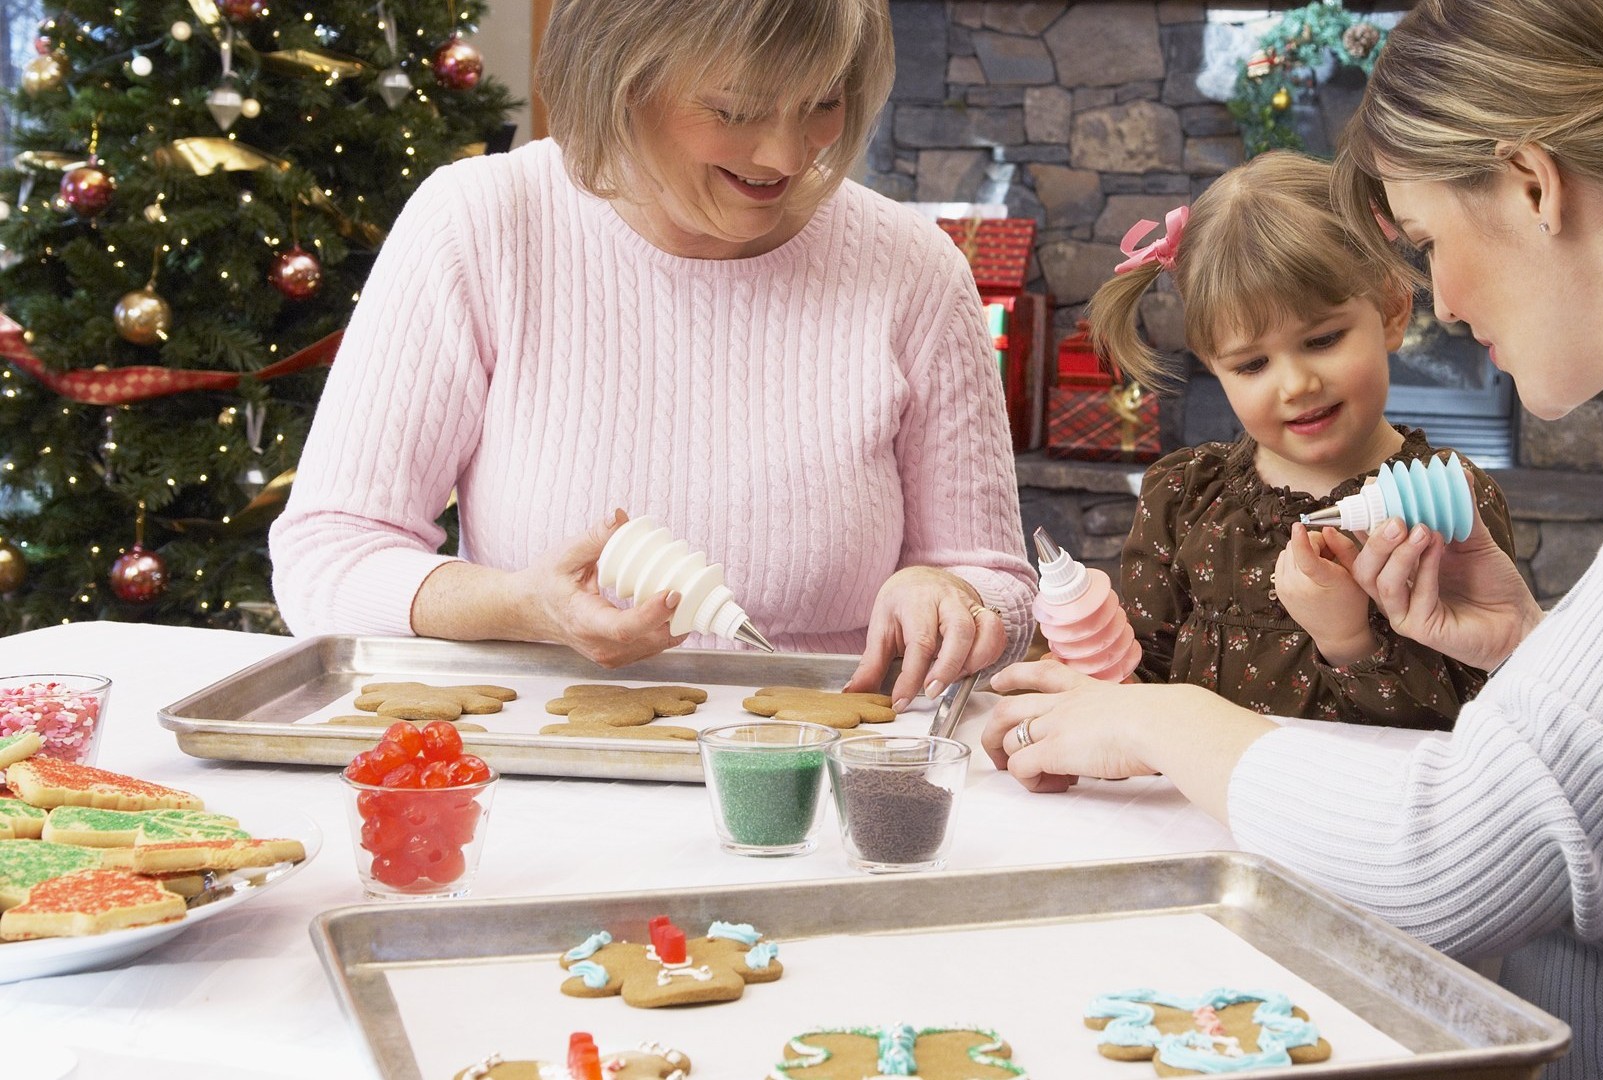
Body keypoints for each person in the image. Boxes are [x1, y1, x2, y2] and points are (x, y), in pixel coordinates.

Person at [985, 0, 1603, 1074]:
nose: (1441, 300)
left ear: (1533, 183)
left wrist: (1163, 722)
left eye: (1426, 240)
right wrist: (1531, 643)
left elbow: (1461, 864)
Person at [269, 0, 1036, 708]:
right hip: (542, 765)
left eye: (822, 103)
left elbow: (996, 582)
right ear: (620, 82)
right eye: (735, 110)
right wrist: (523, 608)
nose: (786, 153)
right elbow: (329, 559)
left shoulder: (912, 266)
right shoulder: (481, 224)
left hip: (831, 769)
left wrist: (951, 597)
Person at [1084, 152, 1512, 727]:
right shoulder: (1183, 498)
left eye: (1322, 340)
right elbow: (1144, 686)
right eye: (1252, 364)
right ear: (1215, 366)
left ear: (1390, 311)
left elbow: (1480, 722)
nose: (1296, 385)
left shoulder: (1450, 502)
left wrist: (1349, 641)